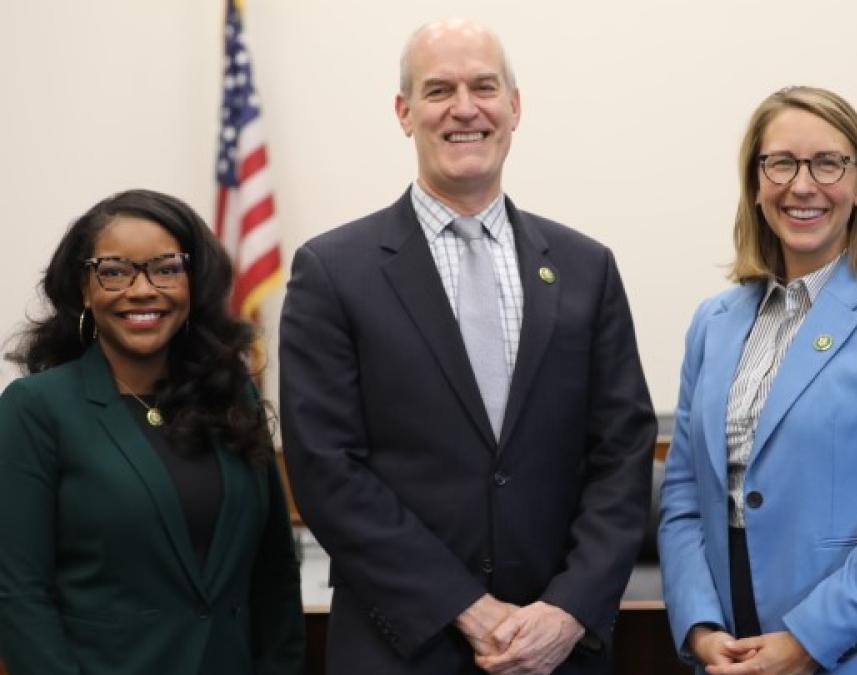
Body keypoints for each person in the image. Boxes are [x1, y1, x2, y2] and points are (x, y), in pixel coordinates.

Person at [278, 18, 656, 675]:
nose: (464, 108)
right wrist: (466, 606)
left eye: (484, 87)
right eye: (438, 90)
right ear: (404, 112)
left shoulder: (584, 267)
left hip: (559, 650)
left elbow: (622, 452)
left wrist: (567, 609)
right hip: (403, 646)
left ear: (515, 106)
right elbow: (325, 469)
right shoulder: (334, 272)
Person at [658, 85, 857, 675]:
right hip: (732, 654)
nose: (803, 185)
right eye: (781, 163)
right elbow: (683, 502)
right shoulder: (712, 324)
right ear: (756, 182)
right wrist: (699, 627)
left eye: (828, 163)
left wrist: (805, 641)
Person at [0, 189, 304, 675]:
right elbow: (17, 592)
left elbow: (275, 574)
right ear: (84, 287)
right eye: (115, 271)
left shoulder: (233, 401)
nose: (142, 289)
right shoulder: (37, 410)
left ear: (192, 282)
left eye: (166, 268)